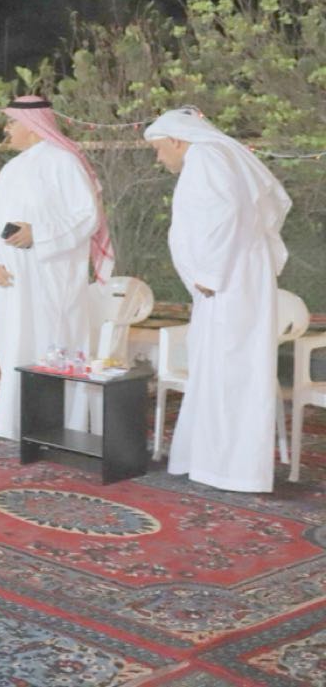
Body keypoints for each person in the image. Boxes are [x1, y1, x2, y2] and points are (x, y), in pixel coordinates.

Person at [145, 107, 290, 493]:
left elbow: (225, 215)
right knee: (216, 368)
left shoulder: (206, 157)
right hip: (227, 279)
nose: (159, 158)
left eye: (159, 149)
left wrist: (209, 272)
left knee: (232, 370)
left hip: (226, 280)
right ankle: (209, 461)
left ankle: (234, 469)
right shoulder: (211, 157)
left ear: (177, 140)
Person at [0, 96, 112, 440]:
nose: (6, 129)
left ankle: (59, 426)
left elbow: (87, 217)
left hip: (52, 279)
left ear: (32, 124)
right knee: (16, 346)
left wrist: (38, 234)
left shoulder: (64, 161)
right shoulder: (11, 169)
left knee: (53, 344)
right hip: (14, 280)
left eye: (11, 122)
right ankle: (16, 423)